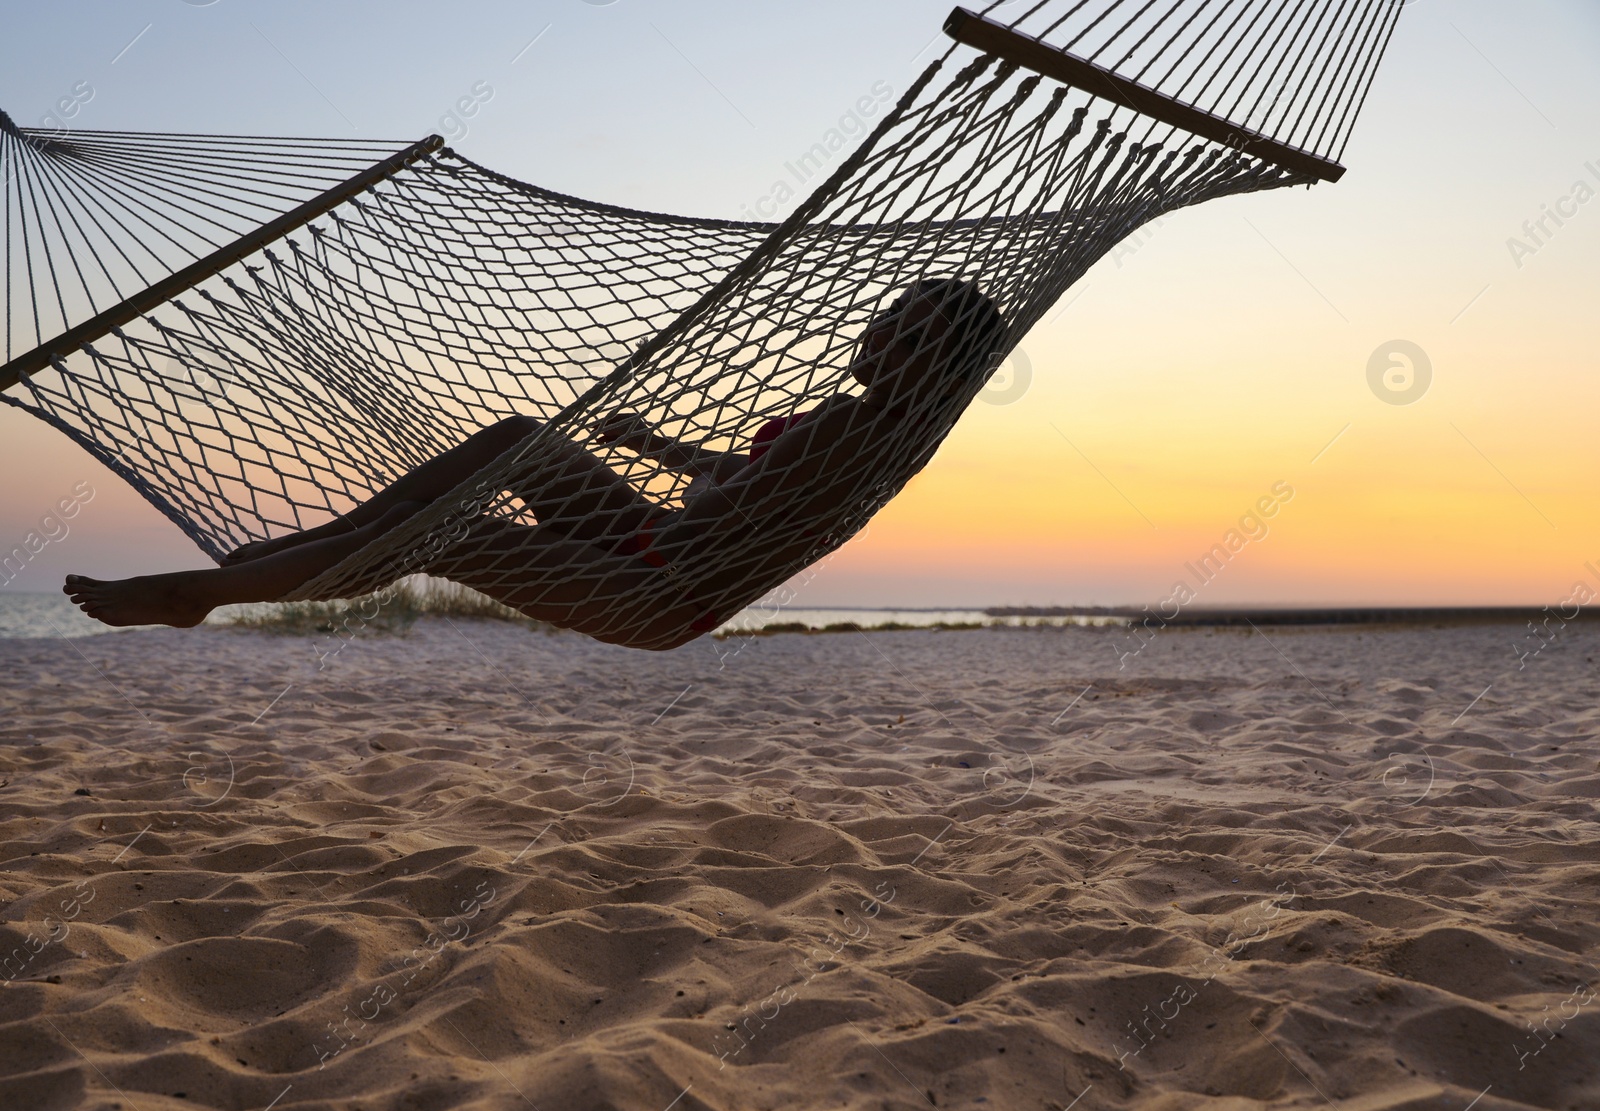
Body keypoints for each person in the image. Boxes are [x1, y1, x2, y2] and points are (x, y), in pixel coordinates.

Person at [65, 280, 1007, 649]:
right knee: (515, 439)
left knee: (452, 530)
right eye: (892, 310)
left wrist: (701, 478)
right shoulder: (869, 425)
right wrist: (662, 451)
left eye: (908, 326)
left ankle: (205, 591)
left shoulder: (861, 431)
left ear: (937, 361)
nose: (882, 325)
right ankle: (309, 547)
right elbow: (748, 486)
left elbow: (727, 510)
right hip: (649, 540)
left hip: (660, 586)